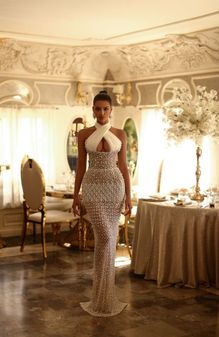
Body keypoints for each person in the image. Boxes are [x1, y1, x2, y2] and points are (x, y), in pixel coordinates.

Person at [72, 90, 132, 317]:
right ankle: (100, 295)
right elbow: (80, 167)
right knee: (106, 237)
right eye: (97, 108)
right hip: (93, 188)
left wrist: (128, 195)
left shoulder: (120, 133)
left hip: (115, 187)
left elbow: (124, 167)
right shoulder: (84, 134)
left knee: (108, 239)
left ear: (111, 110)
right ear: (92, 110)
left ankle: (105, 296)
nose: (101, 112)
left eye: (105, 108)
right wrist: (76, 195)